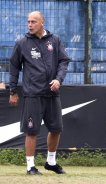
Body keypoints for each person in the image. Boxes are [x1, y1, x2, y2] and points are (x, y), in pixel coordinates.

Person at [9, 11, 69, 175]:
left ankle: (50, 161)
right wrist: (13, 90)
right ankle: (30, 166)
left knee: (56, 129)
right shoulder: (22, 43)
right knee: (32, 131)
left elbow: (63, 61)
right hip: (33, 94)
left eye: (33, 21)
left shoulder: (54, 40)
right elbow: (14, 66)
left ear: (42, 22)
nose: (30, 25)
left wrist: (58, 80)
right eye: (28, 21)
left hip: (52, 94)